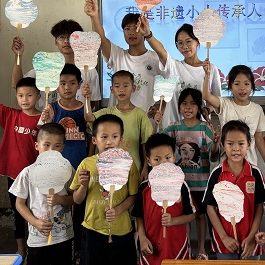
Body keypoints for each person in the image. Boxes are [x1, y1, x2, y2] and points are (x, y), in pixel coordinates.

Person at [0, 64, 41, 259]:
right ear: (16, 96)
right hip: (14, 174)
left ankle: (36, 248)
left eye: (29, 95)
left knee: (36, 211)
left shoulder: (43, 119)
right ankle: (21, 249)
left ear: (38, 96)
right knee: (18, 210)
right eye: (20, 95)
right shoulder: (11, 115)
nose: (25, 99)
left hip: (36, 175)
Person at [39, 63, 94, 262]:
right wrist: (45, 120)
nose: (67, 87)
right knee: (60, 209)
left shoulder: (84, 109)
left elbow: (91, 137)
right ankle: (59, 246)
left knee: (79, 208)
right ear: (57, 85)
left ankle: (78, 249)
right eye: (62, 83)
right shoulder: (52, 109)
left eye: (72, 83)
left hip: (79, 168)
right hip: (57, 170)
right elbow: (44, 135)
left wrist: (89, 160)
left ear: (79, 85)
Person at [70, 115, 140, 265]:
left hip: (121, 229)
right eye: (104, 137)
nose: (109, 141)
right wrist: (83, 186)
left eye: (114, 136)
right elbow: (76, 199)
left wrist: (118, 210)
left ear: (121, 139)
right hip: (93, 228)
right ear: (94, 140)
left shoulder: (128, 164)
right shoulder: (86, 164)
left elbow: (134, 195)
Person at [162, 88, 220, 260]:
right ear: (179, 106)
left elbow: (214, 155)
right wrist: (156, 123)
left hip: (201, 184)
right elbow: (159, 144)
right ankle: (186, 247)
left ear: (199, 107)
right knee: (184, 216)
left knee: (200, 216)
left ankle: (201, 248)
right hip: (180, 184)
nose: (188, 107)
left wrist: (215, 143)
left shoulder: (204, 128)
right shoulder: (174, 127)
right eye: (184, 103)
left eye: (193, 104)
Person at [9, 123, 75, 265]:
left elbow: (75, 199)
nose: (51, 151)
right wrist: (35, 222)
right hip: (37, 239)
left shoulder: (67, 170)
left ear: (62, 148)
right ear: (37, 146)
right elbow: (19, 204)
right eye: (46, 145)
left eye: (57, 146)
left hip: (63, 236)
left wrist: (61, 200)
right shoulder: (27, 173)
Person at [138, 17, 221, 127]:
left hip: (198, 129)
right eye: (180, 43)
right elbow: (161, 51)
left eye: (188, 42)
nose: (185, 47)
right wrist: (148, 35)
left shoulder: (210, 69)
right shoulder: (174, 66)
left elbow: (217, 101)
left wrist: (207, 109)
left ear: (197, 42)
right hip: (172, 127)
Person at [203, 120, 265, 260]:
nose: (236, 149)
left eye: (241, 143)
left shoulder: (255, 174)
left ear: (249, 144)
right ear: (222, 145)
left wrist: (251, 237)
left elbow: (259, 206)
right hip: (224, 242)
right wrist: (224, 237)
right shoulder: (217, 174)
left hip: (250, 242)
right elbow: (210, 207)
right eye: (230, 144)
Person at [84, 0, 162, 112]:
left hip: (145, 119)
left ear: (144, 30)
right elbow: (100, 39)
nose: (131, 32)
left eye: (136, 28)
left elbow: (168, 86)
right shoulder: (118, 55)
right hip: (117, 120)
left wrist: (160, 107)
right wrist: (94, 16)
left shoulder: (156, 58)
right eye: (127, 28)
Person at [203, 63, 265, 176]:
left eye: (246, 84)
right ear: (230, 87)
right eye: (237, 84)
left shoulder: (257, 109)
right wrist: (207, 75)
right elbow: (206, 96)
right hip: (227, 165)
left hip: (249, 164)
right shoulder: (224, 104)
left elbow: (259, 138)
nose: (242, 88)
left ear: (252, 87)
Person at [132, 133, 197, 265]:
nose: (163, 163)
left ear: (174, 157)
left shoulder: (181, 185)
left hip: (177, 247)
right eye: (157, 159)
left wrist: (173, 221)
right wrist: (142, 238)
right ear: (148, 161)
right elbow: (139, 216)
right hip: (151, 246)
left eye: (168, 158)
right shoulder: (144, 188)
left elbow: (191, 215)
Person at [11, 19, 102, 111]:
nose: (66, 41)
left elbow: (92, 103)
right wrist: (18, 55)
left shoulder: (89, 70)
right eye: (61, 37)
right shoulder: (45, 67)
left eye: (70, 37)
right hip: (48, 119)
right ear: (56, 41)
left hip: (78, 118)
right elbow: (17, 84)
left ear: (78, 42)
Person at [92, 70, 153, 178]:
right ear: (112, 89)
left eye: (125, 86)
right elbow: (88, 117)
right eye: (117, 86)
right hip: (109, 167)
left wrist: (145, 167)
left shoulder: (140, 114)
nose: (121, 89)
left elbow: (146, 143)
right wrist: (87, 97)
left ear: (133, 88)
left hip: (133, 168)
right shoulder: (107, 112)